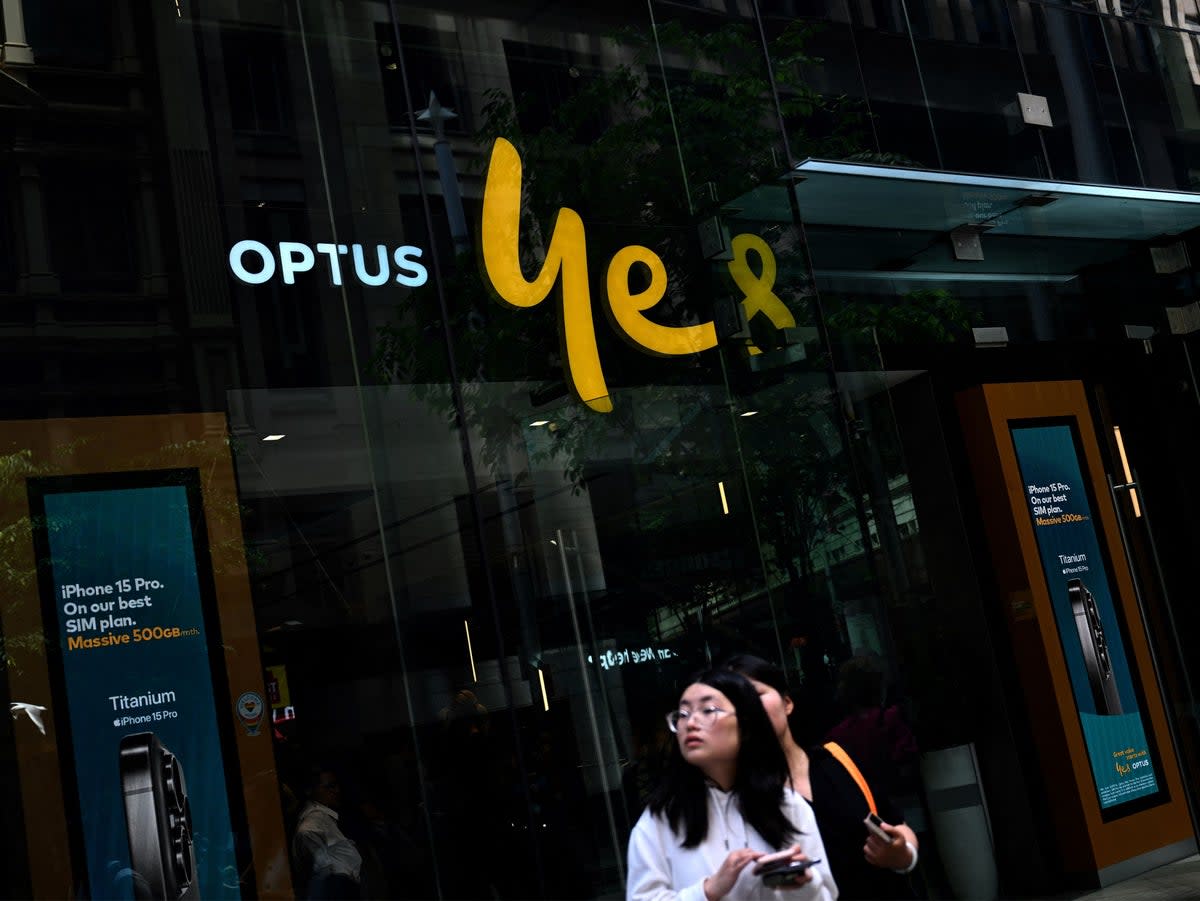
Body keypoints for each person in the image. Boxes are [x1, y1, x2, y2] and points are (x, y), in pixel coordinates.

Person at [626, 668, 837, 901]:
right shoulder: (661, 819)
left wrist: (805, 882)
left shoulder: (789, 806)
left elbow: (827, 895)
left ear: (745, 724)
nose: (691, 722)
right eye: (683, 714)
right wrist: (708, 891)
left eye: (708, 710)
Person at [722, 655, 920, 901]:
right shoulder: (736, 797)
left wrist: (903, 856)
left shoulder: (838, 757)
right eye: (733, 704)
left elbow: (896, 825)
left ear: (787, 703)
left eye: (754, 693)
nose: (746, 708)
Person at [292, 767, 363, 899]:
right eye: (329, 786)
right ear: (310, 790)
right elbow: (322, 878)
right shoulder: (312, 825)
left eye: (336, 785)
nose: (336, 791)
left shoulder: (327, 818)